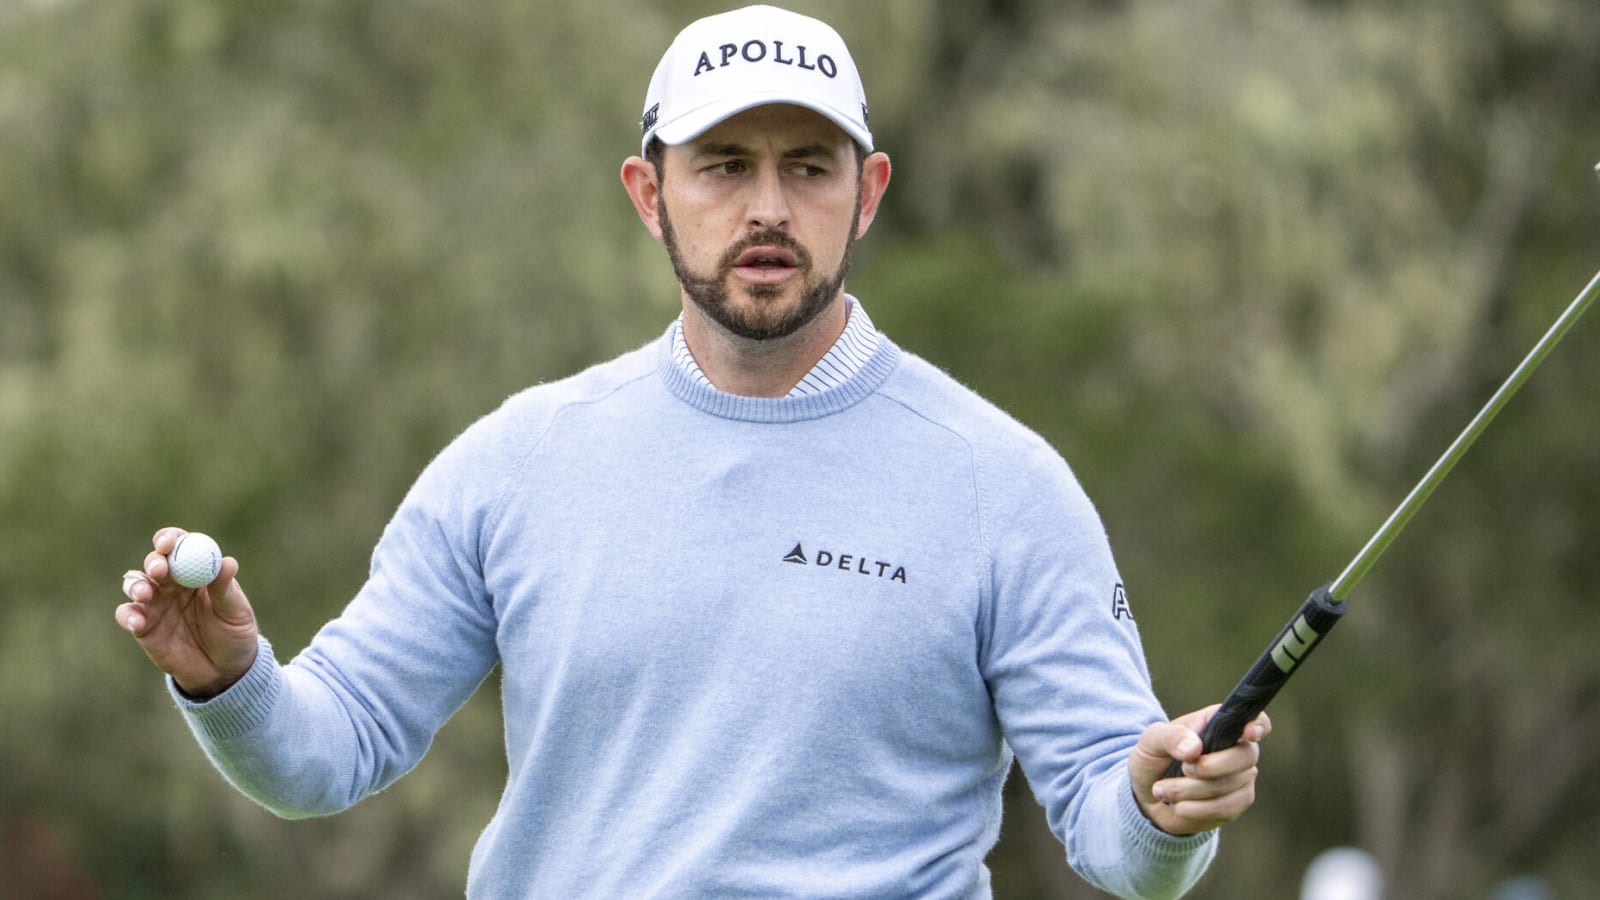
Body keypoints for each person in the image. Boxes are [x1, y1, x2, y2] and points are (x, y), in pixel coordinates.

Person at [115, 6, 1268, 898]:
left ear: (865, 193)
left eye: (806, 166)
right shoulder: (514, 463)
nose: (766, 206)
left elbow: (1115, 835)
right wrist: (225, 680)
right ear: (648, 193)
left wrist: (1163, 805)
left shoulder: (1002, 485)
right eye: (723, 165)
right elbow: (328, 753)